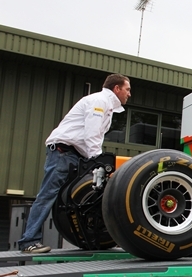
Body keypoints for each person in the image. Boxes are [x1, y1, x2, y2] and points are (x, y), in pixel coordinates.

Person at [17, 73, 131, 253]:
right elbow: (92, 134)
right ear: (116, 88)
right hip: (64, 152)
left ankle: (94, 236)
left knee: (76, 197)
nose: (129, 94)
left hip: (74, 154)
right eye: (127, 89)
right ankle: (28, 241)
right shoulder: (99, 102)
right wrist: (97, 160)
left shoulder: (107, 106)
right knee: (47, 195)